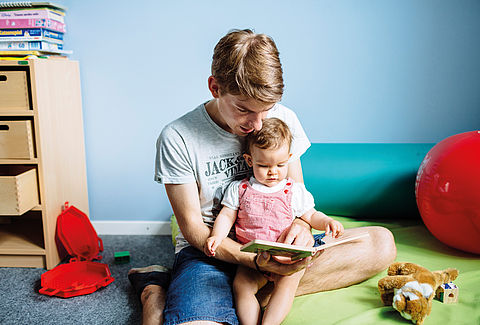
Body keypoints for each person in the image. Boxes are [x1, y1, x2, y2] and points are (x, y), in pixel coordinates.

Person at [128, 28, 396, 325]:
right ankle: (158, 294)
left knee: (381, 244)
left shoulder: (285, 119)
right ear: (215, 87)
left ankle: (226, 297)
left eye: (266, 111)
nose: (257, 125)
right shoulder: (177, 137)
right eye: (244, 110)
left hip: (275, 245)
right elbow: (193, 230)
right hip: (212, 254)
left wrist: (301, 229)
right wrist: (249, 260)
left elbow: (296, 195)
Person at [205, 117, 345, 325]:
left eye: (280, 164)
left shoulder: (293, 190)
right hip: (253, 256)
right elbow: (227, 215)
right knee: (241, 287)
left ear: (288, 158)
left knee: (286, 286)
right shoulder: (240, 189)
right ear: (250, 160)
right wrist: (217, 235)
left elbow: (310, 214)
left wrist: (326, 222)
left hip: (287, 255)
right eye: (264, 165)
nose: (273, 171)